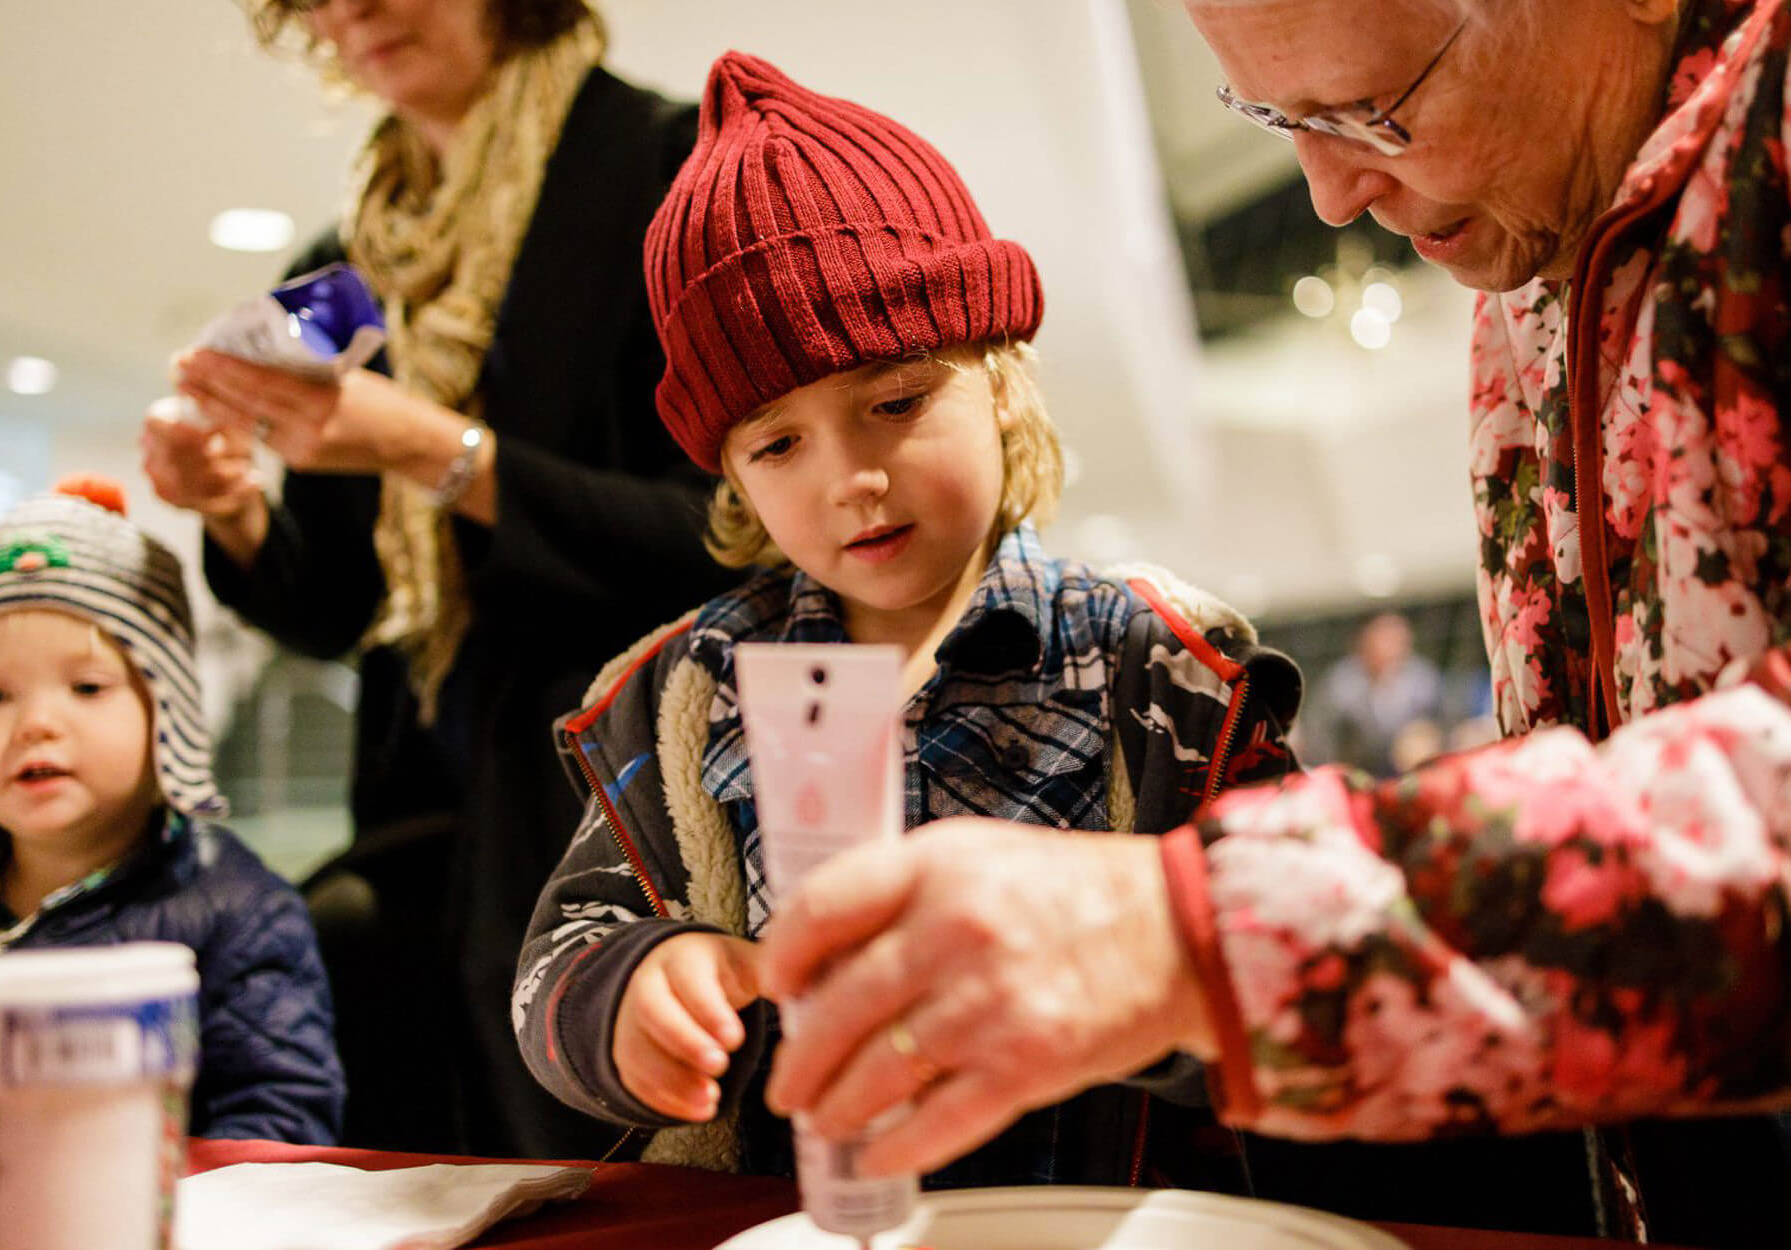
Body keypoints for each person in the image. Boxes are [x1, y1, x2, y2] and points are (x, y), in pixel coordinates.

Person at [756, 0, 1791, 1243]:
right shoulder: (1536, 240)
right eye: (1278, 120)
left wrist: (1197, 939)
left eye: (1368, 110)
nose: (1333, 195)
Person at [511, 51, 1301, 1186]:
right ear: (731, 477)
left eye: (896, 401)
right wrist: (628, 996)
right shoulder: (684, 696)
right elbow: (559, 955)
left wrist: (1144, 979)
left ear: (1002, 380)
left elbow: (1295, 951)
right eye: (778, 443)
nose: (853, 479)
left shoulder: (1164, 667)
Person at [140, 0, 733, 1156]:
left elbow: (722, 535)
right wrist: (235, 506)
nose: (349, 11)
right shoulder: (346, 260)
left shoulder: (670, 172)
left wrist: (433, 448)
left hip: (618, 813)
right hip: (422, 821)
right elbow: (335, 607)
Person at [0, 478, 344, 1145]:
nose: (35, 722)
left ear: (168, 712)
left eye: (87, 687)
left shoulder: (242, 912)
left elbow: (280, 1123)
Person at [1295, 611, 1445, 775]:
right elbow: (1319, 737)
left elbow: (1439, 724)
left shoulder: (1422, 679)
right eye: (1387, 639)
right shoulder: (1340, 685)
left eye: (1400, 640)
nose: (1396, 647)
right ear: (1364, 642)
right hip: (1355, 773)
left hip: (1411, 771)